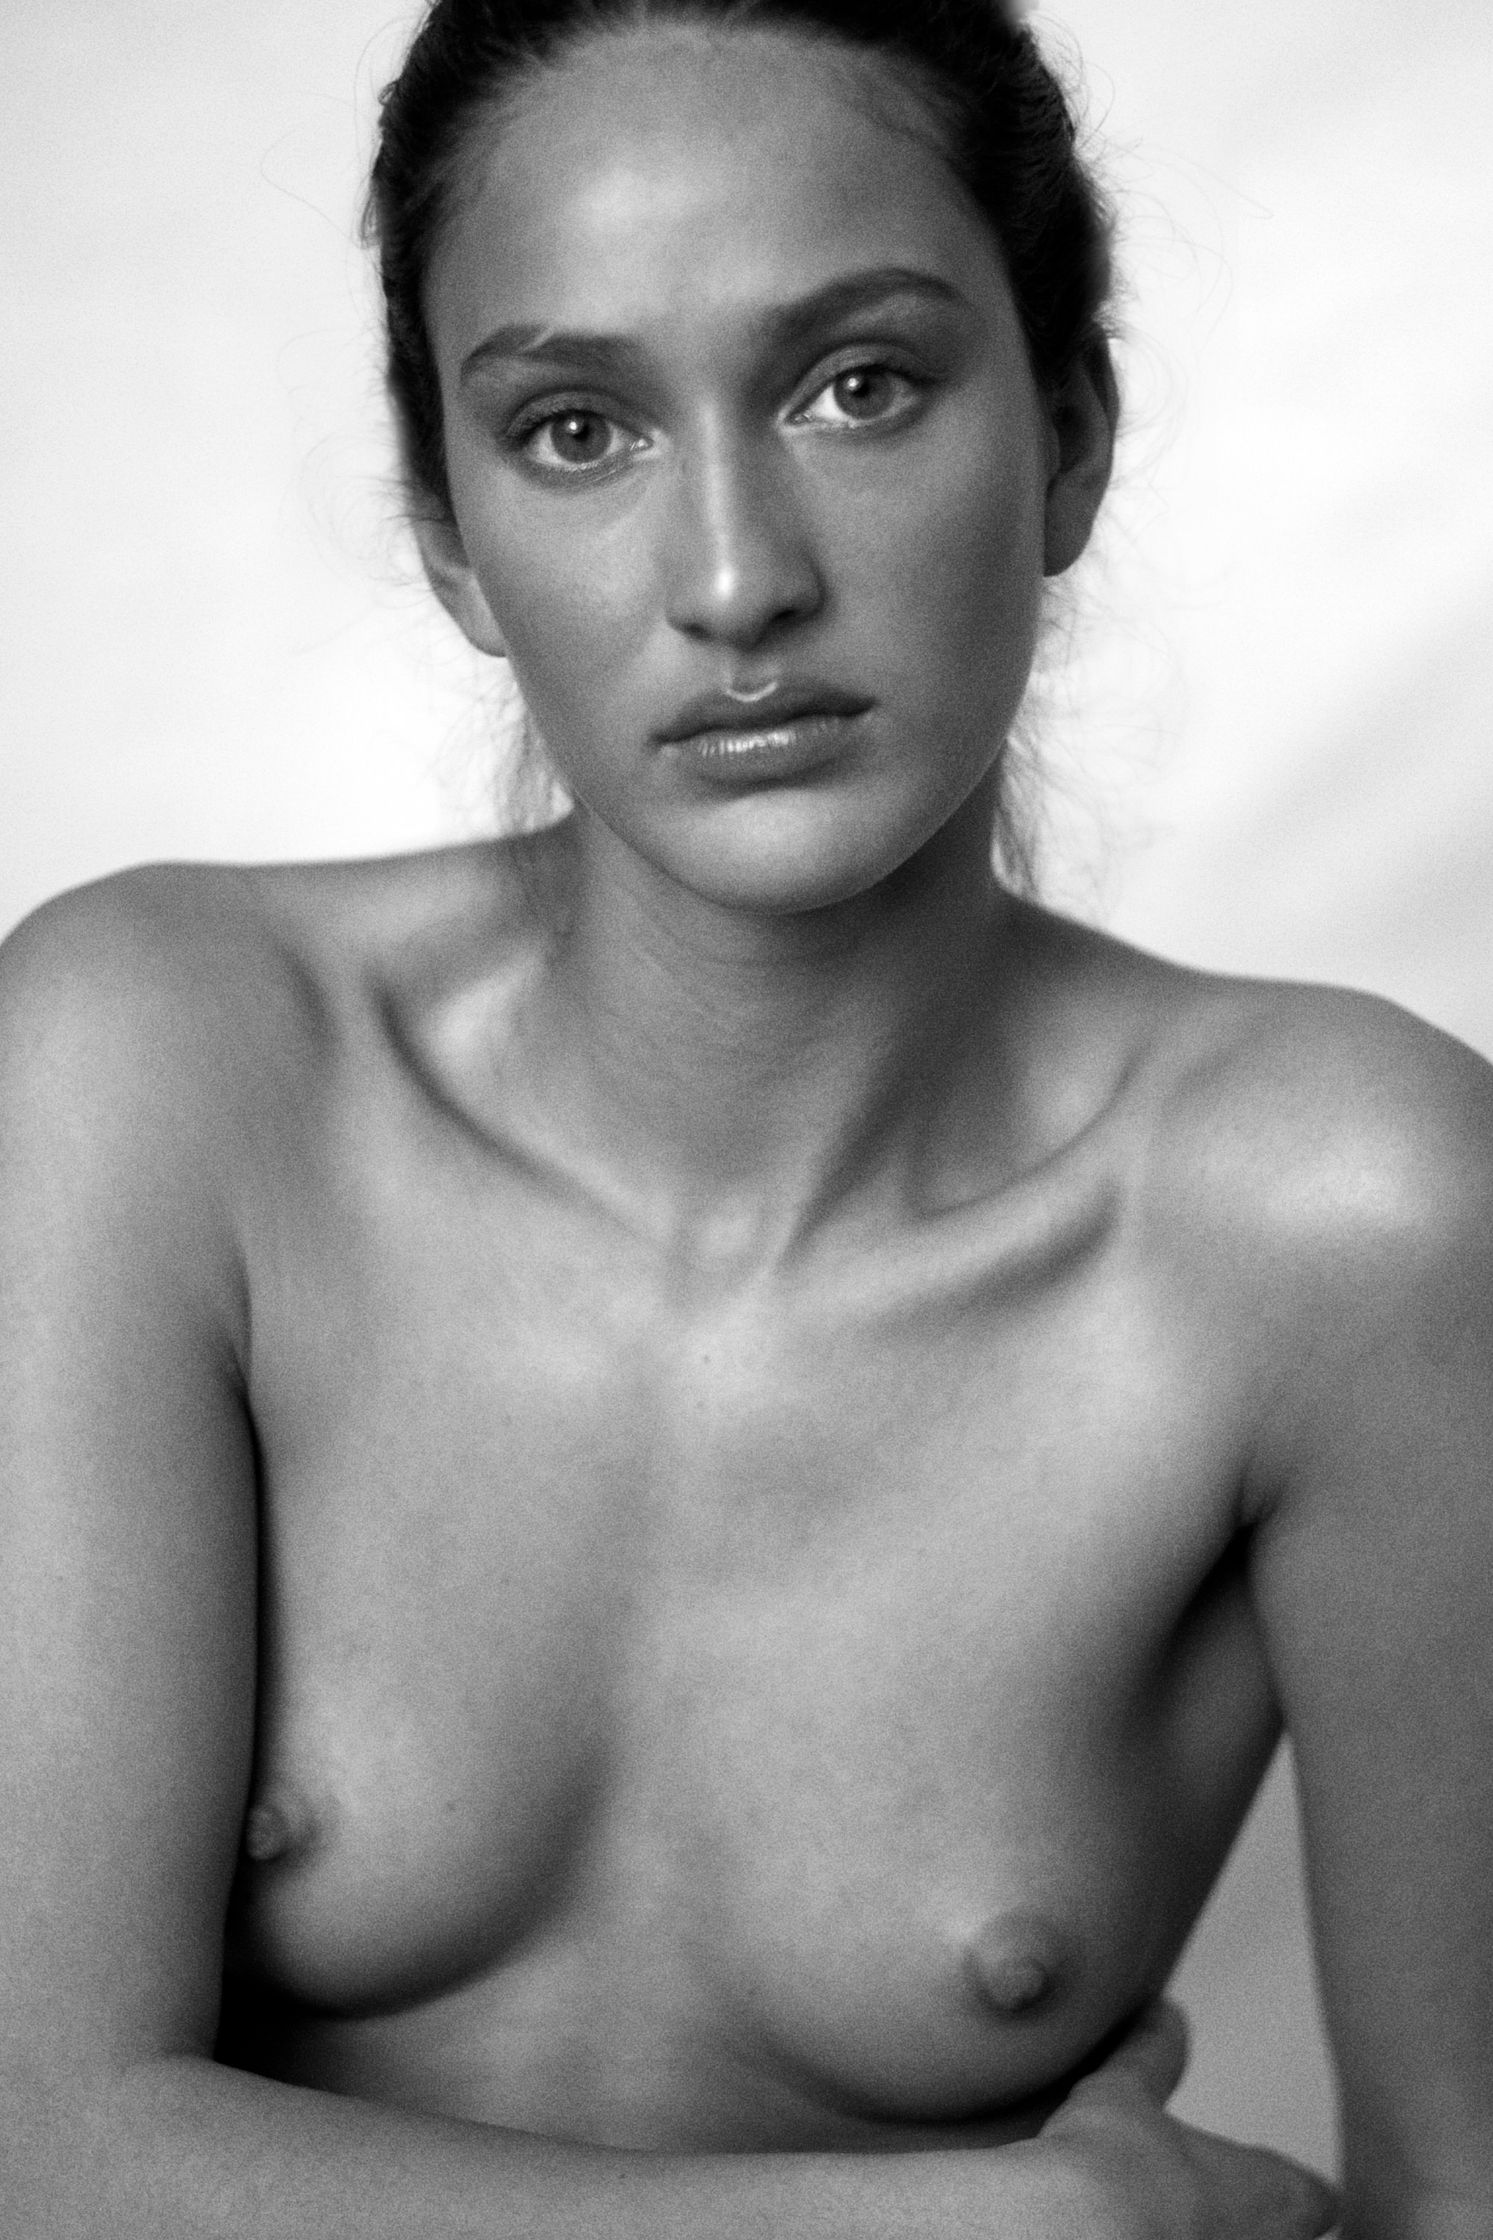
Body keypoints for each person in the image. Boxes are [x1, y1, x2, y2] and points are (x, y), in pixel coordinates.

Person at [2, 0, 1489, 2231]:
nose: (733, 578)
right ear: (450, 537)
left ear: (1069, 434)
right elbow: (30, 2143)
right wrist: (979, 2225)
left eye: (857, 385)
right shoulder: (153, 1071)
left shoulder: (1353, 1223)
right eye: (575, 428)